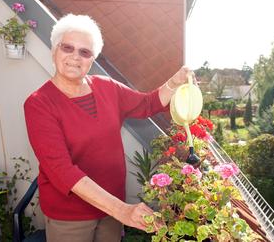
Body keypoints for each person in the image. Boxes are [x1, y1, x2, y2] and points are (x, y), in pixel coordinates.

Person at [24, 14, 192, 242]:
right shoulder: (39, 103)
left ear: (92, 59)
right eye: (67, 48)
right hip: (71, 217)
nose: (75, 57)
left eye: (85, 52)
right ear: (54, 51)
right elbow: (61, 170)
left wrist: (174, 82)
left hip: (110, 210)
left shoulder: (107, 87)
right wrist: (122, 210)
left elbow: (147, 104)